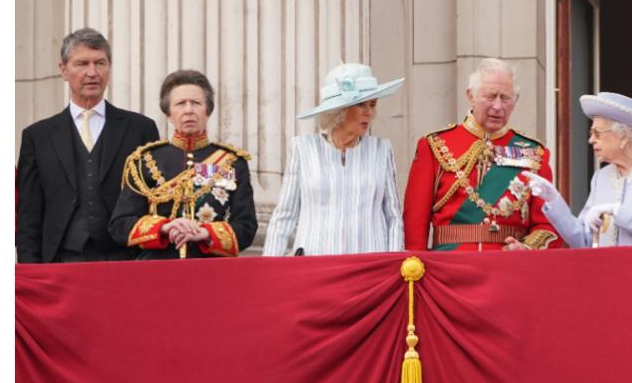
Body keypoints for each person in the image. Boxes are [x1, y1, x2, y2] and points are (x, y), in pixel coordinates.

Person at [15, 28, 160, 263]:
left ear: (109, 68)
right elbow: (29, 213)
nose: (92, 72)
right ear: (63, 70)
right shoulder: (37, 136)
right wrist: (29, 271)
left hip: (126, 260)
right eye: (82, 64)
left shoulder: (140, 128)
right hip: (61, 260)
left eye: (100, 63)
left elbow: (154, 203)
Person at [401, 58, 561, 251]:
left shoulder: (534, 153)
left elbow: (548, 226)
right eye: (490, 96)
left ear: (515, 102)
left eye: (505, 98)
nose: (497, 106)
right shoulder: (434, 145)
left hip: (508, 271)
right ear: (471, 96)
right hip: (450, 269)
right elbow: (414, 225)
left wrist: (526, 248)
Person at [109, 70, 256, 259]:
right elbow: (120, 225)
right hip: (157, 270)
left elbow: (246, 226)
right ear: (169, 113)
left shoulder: (231, 162)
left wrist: (206, 233)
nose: (188, 110)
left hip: (213, 270)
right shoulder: (145, 161)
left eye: (196, 103)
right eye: (180, 103)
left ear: (207, 111)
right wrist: (164, 227)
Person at [263, 63, 406, 256]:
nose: (369, 113)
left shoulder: (381, 150)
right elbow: (284, 216)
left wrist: (394, 267)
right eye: (361, 104)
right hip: (315, 267)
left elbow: (394, 218)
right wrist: (270, 272)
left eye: (372, 104)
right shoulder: (303, 149)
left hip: (370, 270)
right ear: (339, 109)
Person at [522, 92, 632, 248]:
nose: (591, 140)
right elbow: (583, 240)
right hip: (608, 273)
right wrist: (554, 201)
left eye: (597, 133)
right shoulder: (601, 177)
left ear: (624, 136)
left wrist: (617, 211)